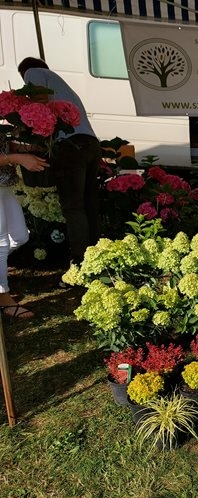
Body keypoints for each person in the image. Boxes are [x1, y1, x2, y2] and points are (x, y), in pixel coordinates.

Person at [19, 57, 102, 272]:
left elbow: (39, 102)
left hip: (70, 147)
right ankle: (97, 257)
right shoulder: (61, 84)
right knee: (89, 204)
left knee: (73, 207)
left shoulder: (33, 72)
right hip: (91, 144)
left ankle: (80, 262)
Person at [0, 140, 48, 318]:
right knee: (1, 243)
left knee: (20, 236)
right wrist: (17, 158)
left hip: (3, 184)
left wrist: (21, 148)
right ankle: (4, 299)